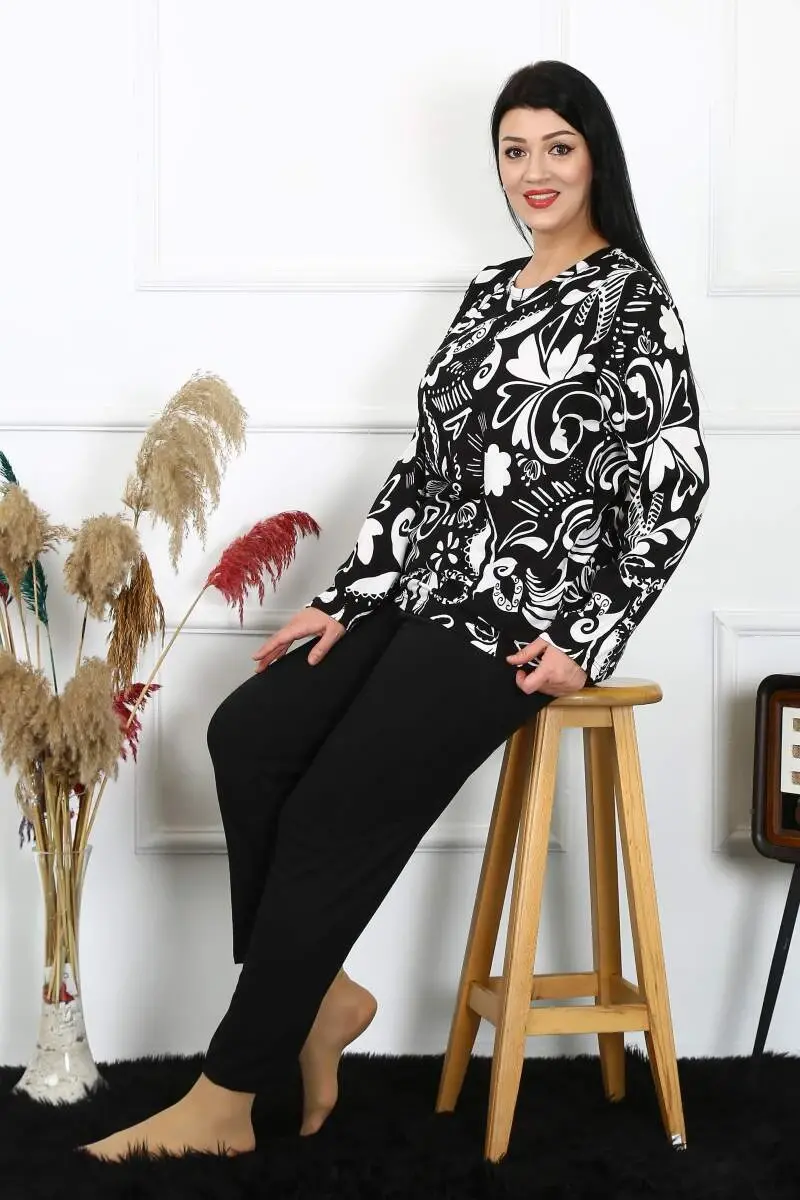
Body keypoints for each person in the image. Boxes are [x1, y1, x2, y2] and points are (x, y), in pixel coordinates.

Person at [80, 58, 710, 1160]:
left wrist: (586, 637)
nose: (534, 171)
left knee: (332, 814)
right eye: (513, 150)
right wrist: (344, 599)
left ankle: (227, 1097)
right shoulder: (488, 289)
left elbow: (676, 484)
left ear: (594, 156)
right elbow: (427, 469)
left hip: (508, 626)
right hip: (417, 595)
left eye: (556, 147)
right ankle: (320, 995)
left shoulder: (631, 302)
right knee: (248, 736)